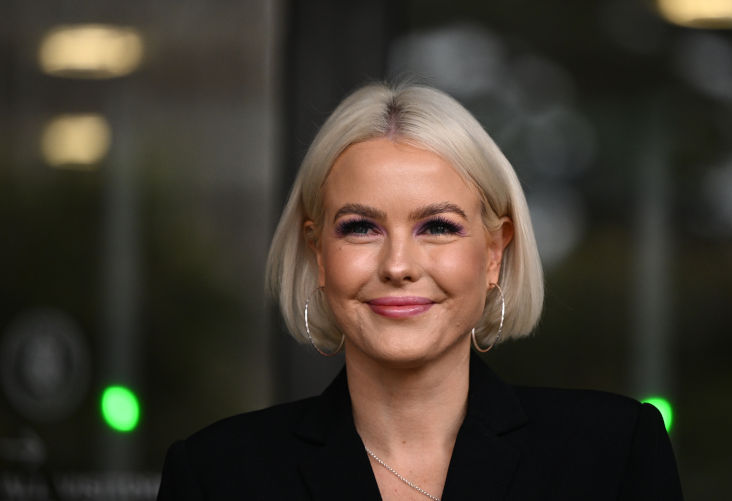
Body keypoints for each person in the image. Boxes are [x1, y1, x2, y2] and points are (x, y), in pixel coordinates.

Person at [157, 82, 683, 500]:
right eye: (361, 227)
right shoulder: (217, 475)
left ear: (495, 251)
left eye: (437, 226)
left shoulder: (613, 453)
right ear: (318, 253)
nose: (398, 266)